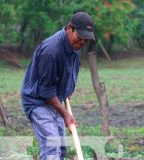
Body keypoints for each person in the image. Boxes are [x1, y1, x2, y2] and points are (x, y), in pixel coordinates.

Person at [21, 12, 95, 160]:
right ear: (69, 29)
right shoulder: (51, 51)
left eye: (86, 40)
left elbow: (70, 69)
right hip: (38, 101)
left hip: (55, 99)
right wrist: (66, 115)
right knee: (52, 150)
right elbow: (46, 91)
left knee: (60, 150)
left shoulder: (75, 46)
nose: (83, 42)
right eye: (80, 37)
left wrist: (67, 89)